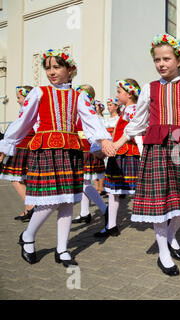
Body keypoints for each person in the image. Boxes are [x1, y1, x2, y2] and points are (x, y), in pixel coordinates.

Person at [113, 33, 180, 276]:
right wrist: (118, 142)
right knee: (158, 201)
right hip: (156, 149)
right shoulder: (148, 89)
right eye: (157, 60)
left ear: (179, 60)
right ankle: (163, 251)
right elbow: (137, 122)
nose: (161, 64)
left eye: (166, 59)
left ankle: (172, 234)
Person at [0, 49, 114, 266]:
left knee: (67, 201)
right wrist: (6, 145)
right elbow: (23, 120)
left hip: (70, 152)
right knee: (47, 202)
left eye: (57, 67)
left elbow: (90, 119)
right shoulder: (39, 92)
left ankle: (62, 248)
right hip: (46, 152)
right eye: (48, 68)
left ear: (70, 70)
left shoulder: (78, 96)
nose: (51, 72)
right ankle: (28, 236)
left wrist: (102, 139)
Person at [94, 79, 141, 238]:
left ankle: (160, 219)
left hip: (126, 153)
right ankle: (111, 225)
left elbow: (136, 130)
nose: (117, 94)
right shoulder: (127, 110)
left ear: (129, 94)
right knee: (114, 191)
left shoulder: (132, 110)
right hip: (121, 152)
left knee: (132, 189)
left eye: (119, 92)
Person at [72, 85, 108, 225]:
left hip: (87, 150)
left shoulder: (89, 111)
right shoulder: (79, 112)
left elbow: (95, 130)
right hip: (80, 149)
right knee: (84, 181)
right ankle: (85, 212)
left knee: (83, 182)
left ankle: (105, 209)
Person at [0, 86, 36, 222]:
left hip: (23, 147)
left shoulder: (27, 112)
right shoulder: (31, 111)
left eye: (19, 98)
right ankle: (28, 208)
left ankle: (31, 206)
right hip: (27, 147)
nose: (17, 101)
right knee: (24, 179)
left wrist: (3, 150)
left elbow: (15, 133)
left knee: (15, 179)